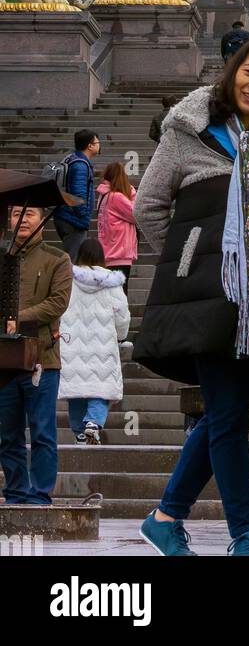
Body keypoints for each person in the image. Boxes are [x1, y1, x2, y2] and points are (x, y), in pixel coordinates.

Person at [134, 36, 249, 556]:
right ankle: (245, 535)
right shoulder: (189, 131)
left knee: (223, 414)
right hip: (208, 300)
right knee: (228, 417)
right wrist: (192, 262)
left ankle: (166, 517)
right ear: (233, 74)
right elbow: (148, 208)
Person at [0, 205, 72, 506]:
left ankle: (40, 494)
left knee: (42, 432)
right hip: (4, 360)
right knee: (7, 435)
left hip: (42, 359)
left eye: (29, 213)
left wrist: (19, 318)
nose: (23, 219)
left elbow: (58, 302)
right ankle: (16, 492)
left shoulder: (58, 259)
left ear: (43, 220)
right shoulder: (4, 259)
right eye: (17, 213)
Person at [59, 237, 130, 446]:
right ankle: (93, 423)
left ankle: (80, 432)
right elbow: (122, 315)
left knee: (77, 389)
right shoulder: (112, 282)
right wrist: (121, 336)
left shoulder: (68, 280)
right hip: (103, 344)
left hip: (72, 344)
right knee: (101, 386)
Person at [53, 130, 100, 261]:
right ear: (90, 146)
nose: (98, 145)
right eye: (97, 142)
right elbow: (78, 195)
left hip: (65, 216)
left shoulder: (71, 158)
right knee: (74, 261)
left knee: (73, 258)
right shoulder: (80, 165)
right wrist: (83, 216)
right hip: (73, 220)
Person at [96, 162, 138, 289]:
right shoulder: (116, 197)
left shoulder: (103, 196)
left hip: (108, 252)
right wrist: (132, 192)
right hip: (119, 253)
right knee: (120, 295)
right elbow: (136, 214)